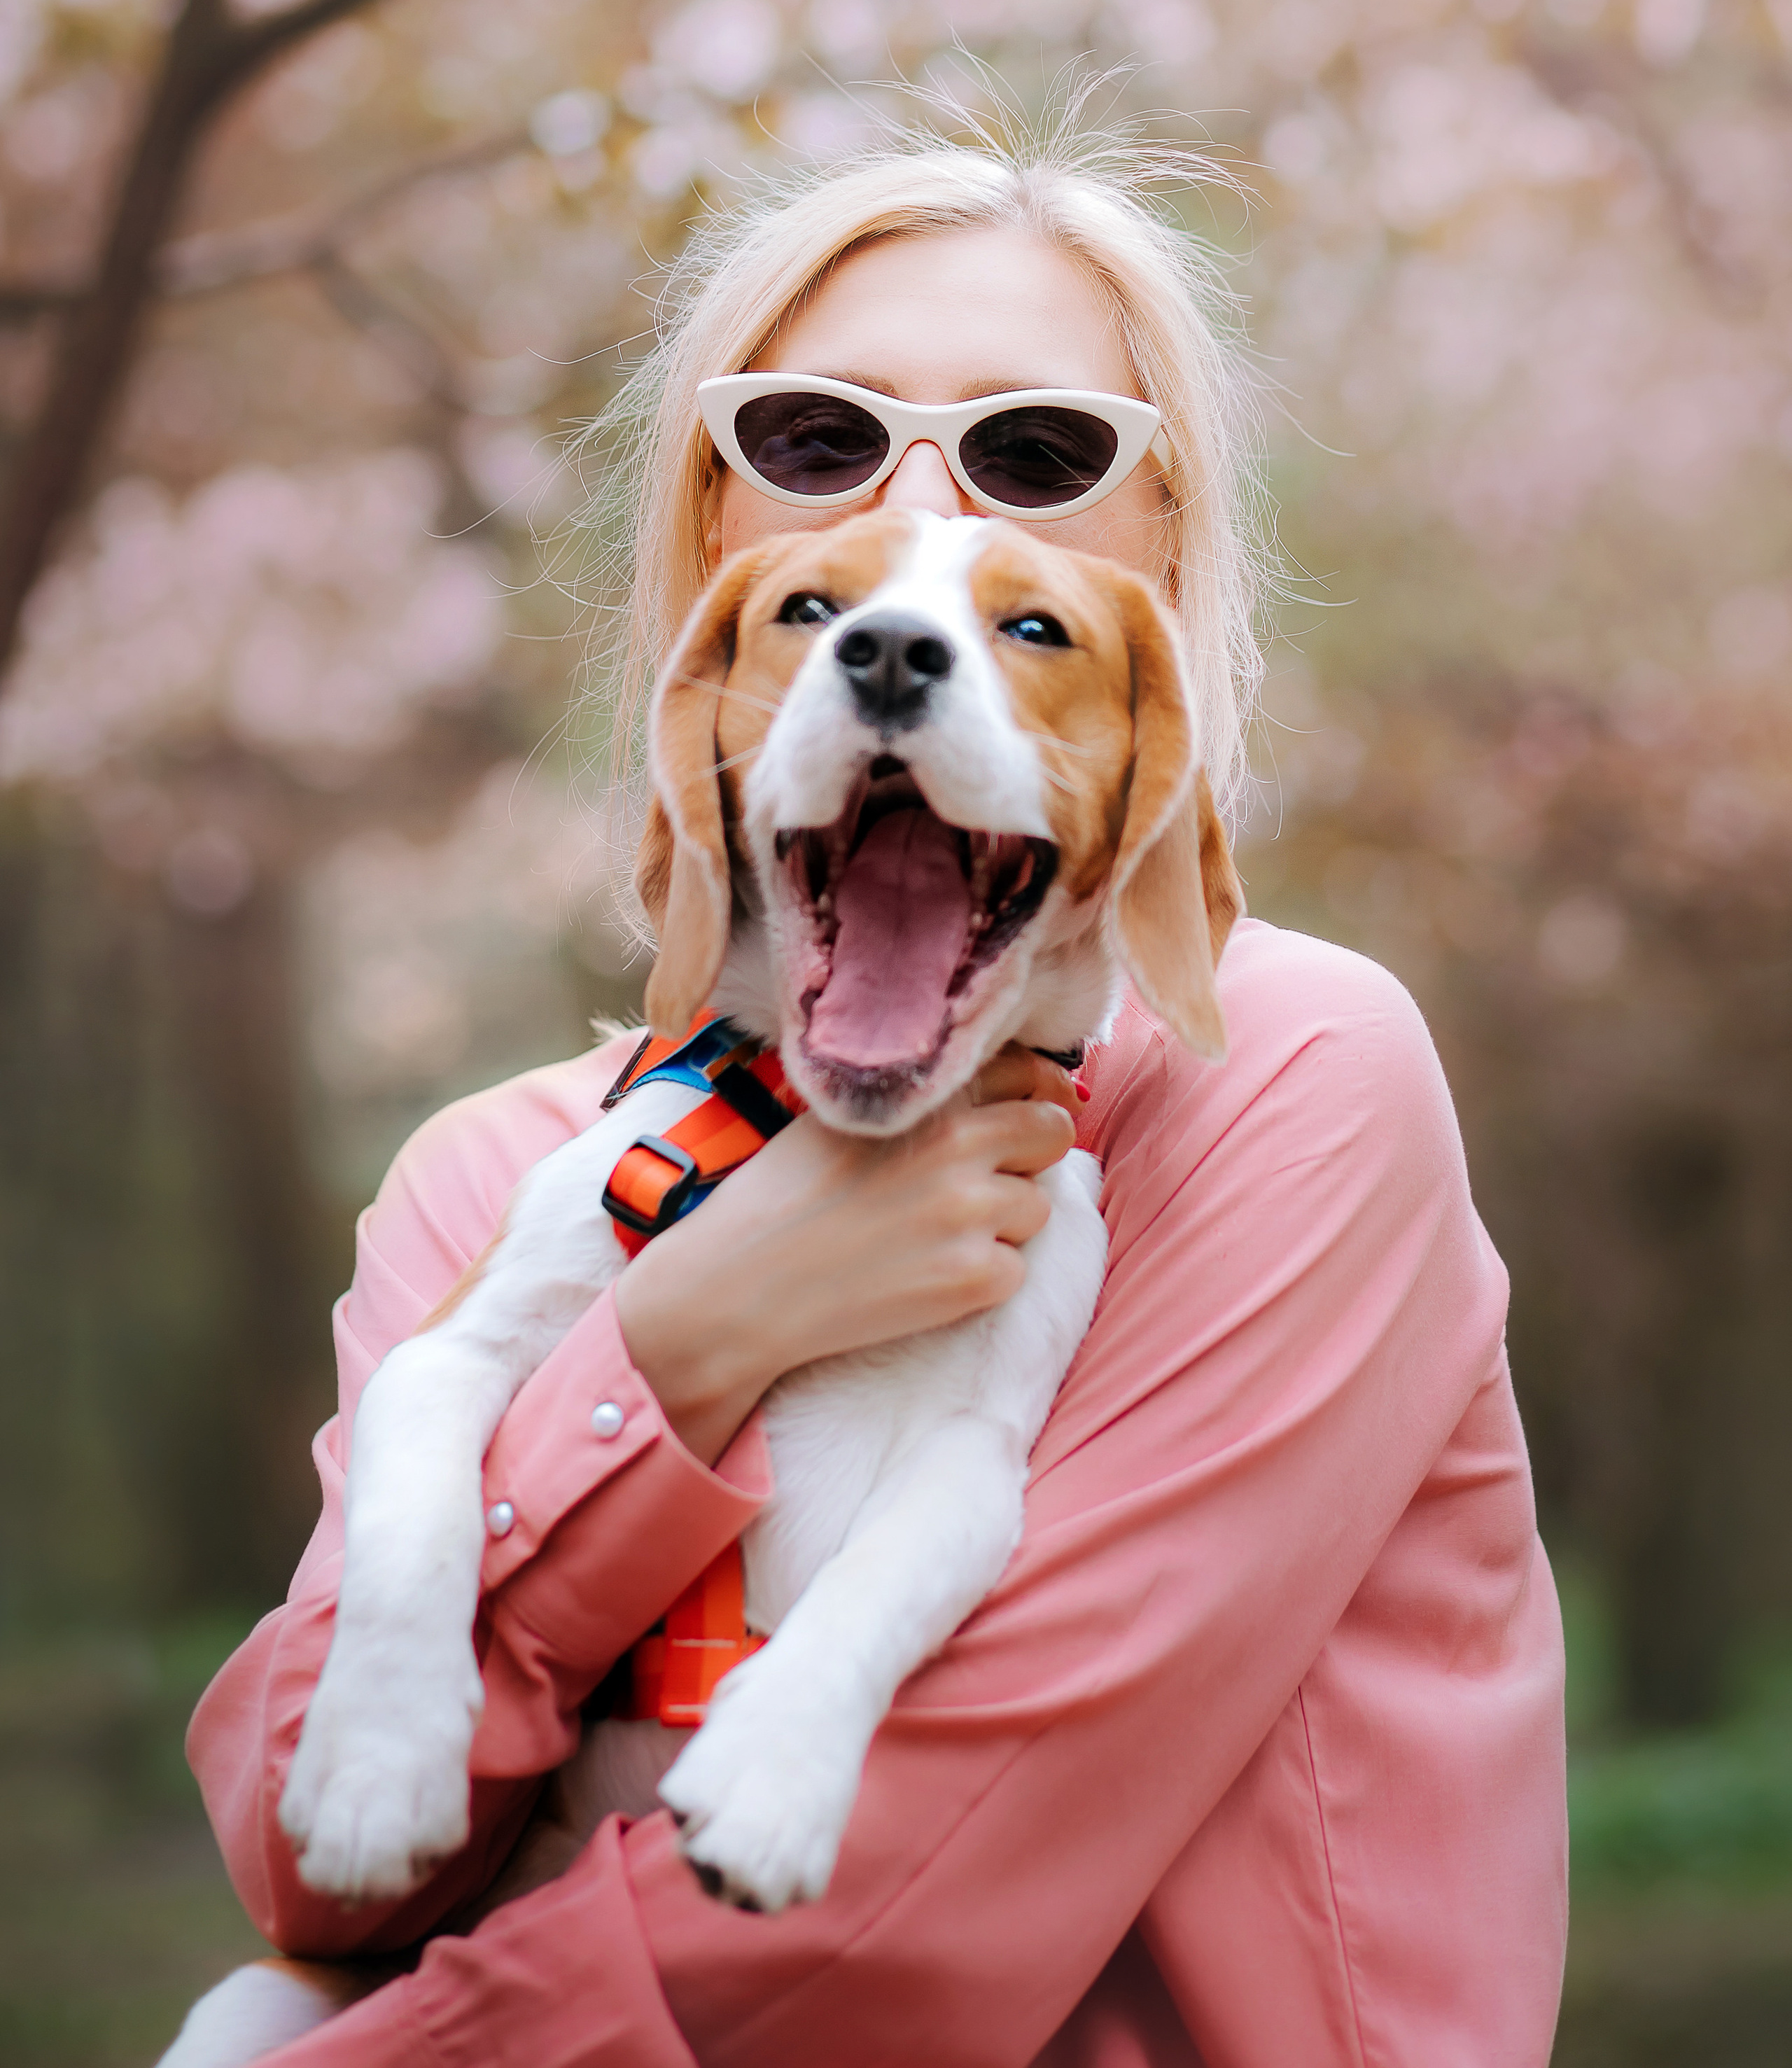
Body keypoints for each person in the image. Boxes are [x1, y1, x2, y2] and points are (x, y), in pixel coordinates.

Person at [185, 128, 1568, 2066]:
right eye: (822, 446)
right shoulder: (490, 1174)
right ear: (721, 546)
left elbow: (892, 1917)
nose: (924, 531)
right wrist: (675, 1343)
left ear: (1158, 547)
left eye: (1036, 456)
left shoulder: (1294, 1079)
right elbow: (319, 1861)